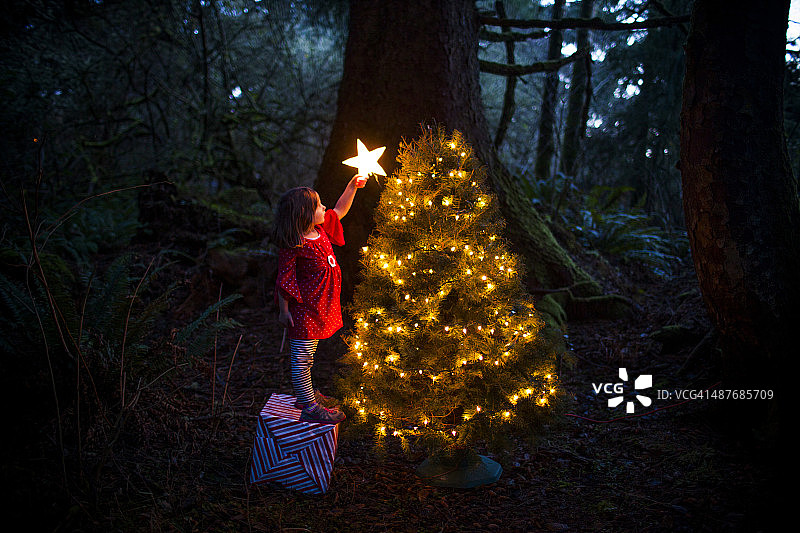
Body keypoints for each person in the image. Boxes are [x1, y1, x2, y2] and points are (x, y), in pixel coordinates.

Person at [272, 175, 367, 424]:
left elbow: (340, 209)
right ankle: (309, 406)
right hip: (305, 310)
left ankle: (306, 396)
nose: (324, 208)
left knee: (309, 357)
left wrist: (351, 187)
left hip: (322, 306)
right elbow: (284, 279)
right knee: (301, 360)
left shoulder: (320, 229)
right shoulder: (295, 244)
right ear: (303, 214)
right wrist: (284, 311)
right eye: (318, 206)